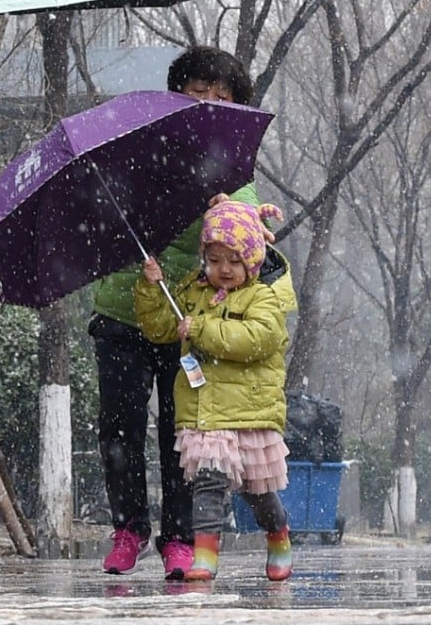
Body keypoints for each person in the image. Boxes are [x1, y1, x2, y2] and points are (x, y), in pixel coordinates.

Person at [89, 45, 258, 579]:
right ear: (175, 95)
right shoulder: (139, 149)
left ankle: (179, 538)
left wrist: (226, 218)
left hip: (189, 322)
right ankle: (128, 529)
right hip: (123, 308)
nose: (207, 102)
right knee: (120, 428)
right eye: (196, 92)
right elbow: (103, 212)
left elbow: (250, 246)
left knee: (182, 432)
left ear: (236, 107)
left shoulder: (234, 172)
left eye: (221, 96)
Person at [134, 196, 297, 582]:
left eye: (234, 261)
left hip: (250, 411)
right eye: (215, 259)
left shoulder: (263, 297)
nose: (223, 269)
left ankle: (278, 535)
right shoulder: (194, 291)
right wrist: (152, 288)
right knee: (207, 484)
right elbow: (159, 328)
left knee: (258, 493)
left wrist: (203, 330)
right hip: (206, 410)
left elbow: (256, 339)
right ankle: (204, 557)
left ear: (252, 261)